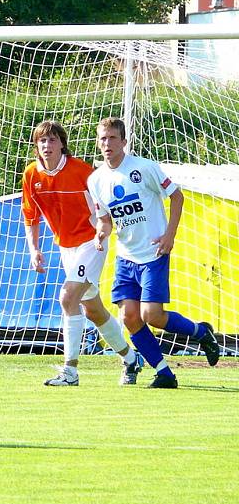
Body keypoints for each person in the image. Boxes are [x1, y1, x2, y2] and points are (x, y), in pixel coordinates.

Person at [87, 117, 220, 389]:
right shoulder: (95, 180)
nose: (107, 143)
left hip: (153, 254)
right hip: (125, 257)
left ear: (124, 142)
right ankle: (164, 374)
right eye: (102, 138)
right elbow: (105, 220)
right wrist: (100, 234)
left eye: (112, 138)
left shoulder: (144, 168)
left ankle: (201, 332)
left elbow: (177, 196)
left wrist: (170, 234)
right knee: (129, 317)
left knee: (152, 316)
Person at [22, 120, 142, 386]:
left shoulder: (82, 172)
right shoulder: (31, 175)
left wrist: (104, 231)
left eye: (52, 140)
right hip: (66, 247)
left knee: (67, 297)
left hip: (91, 243)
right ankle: (131, 359)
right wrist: (35, 250)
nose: (47, 145)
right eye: (42, 141)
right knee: (93, 311)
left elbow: (104, 206)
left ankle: (70, 371)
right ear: (36, 146)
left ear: (62, 144)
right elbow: (31, 216)